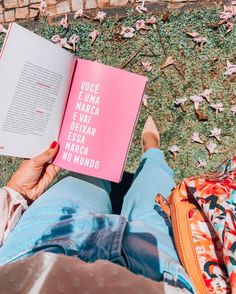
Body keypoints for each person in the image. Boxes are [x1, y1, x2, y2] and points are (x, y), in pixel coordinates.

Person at [0, 116, 196, 293]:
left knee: (91, 169)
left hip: (38, 245)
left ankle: (118, 147)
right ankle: (152, 149)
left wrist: (17, 192)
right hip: (159, 276)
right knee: (156, 185)